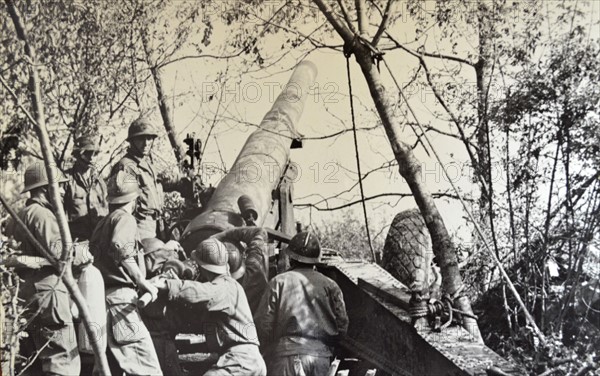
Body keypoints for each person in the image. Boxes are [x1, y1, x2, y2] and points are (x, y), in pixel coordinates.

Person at [151, 238, 266, 376]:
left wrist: (168, 285)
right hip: (246, 361)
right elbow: (199, 304)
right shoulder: (223, 289)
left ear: (202, 266)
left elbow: (201, 292)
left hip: (241, 360)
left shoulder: (225, 286)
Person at [9, 162, 80, 375]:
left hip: (25, 294)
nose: (61, 191)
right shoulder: (42, 215)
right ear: (44, 189)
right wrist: (81, 253)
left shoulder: (17, 217)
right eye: (58, 186)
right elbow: (61, 254)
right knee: (62, 360)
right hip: (49, 294)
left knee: (33, 363)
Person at [90, 168, 162, 376]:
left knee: (109, 369)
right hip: (121, 303)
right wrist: (142, 281)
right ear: (135, 199)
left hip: (101, 301)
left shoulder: (102, 223)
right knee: (147, 369)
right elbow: (120, 246)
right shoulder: (125, 219)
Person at [254, 231, 349, 376]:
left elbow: (263, 325)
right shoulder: (330, 285)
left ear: (291, 258)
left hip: (287, 357)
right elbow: (342, 325)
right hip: (321, 358)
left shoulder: (278, 282)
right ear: (316, 260)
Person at [110, 117, 190, 241]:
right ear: (132, 141)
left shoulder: (148, 165)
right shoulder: (126, 166)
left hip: (157, 225)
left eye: (149, 138)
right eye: (141, 138)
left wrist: (183, 182)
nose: (146, 143)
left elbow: (158, 186)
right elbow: (120, 209)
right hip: (140, 227)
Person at [210, 226, 269, 314]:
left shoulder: (215, 294)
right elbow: (260, 232)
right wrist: (223, 235)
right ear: (242, 256)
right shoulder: (255, 270)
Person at [64, 135, 108, 241]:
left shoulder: (99, 181)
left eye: (95, 153)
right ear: (77, 155)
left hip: (99, 239)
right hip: (78, 240)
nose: (92, 157)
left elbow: (106, 207)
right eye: (87, 153)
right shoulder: (66, 180)